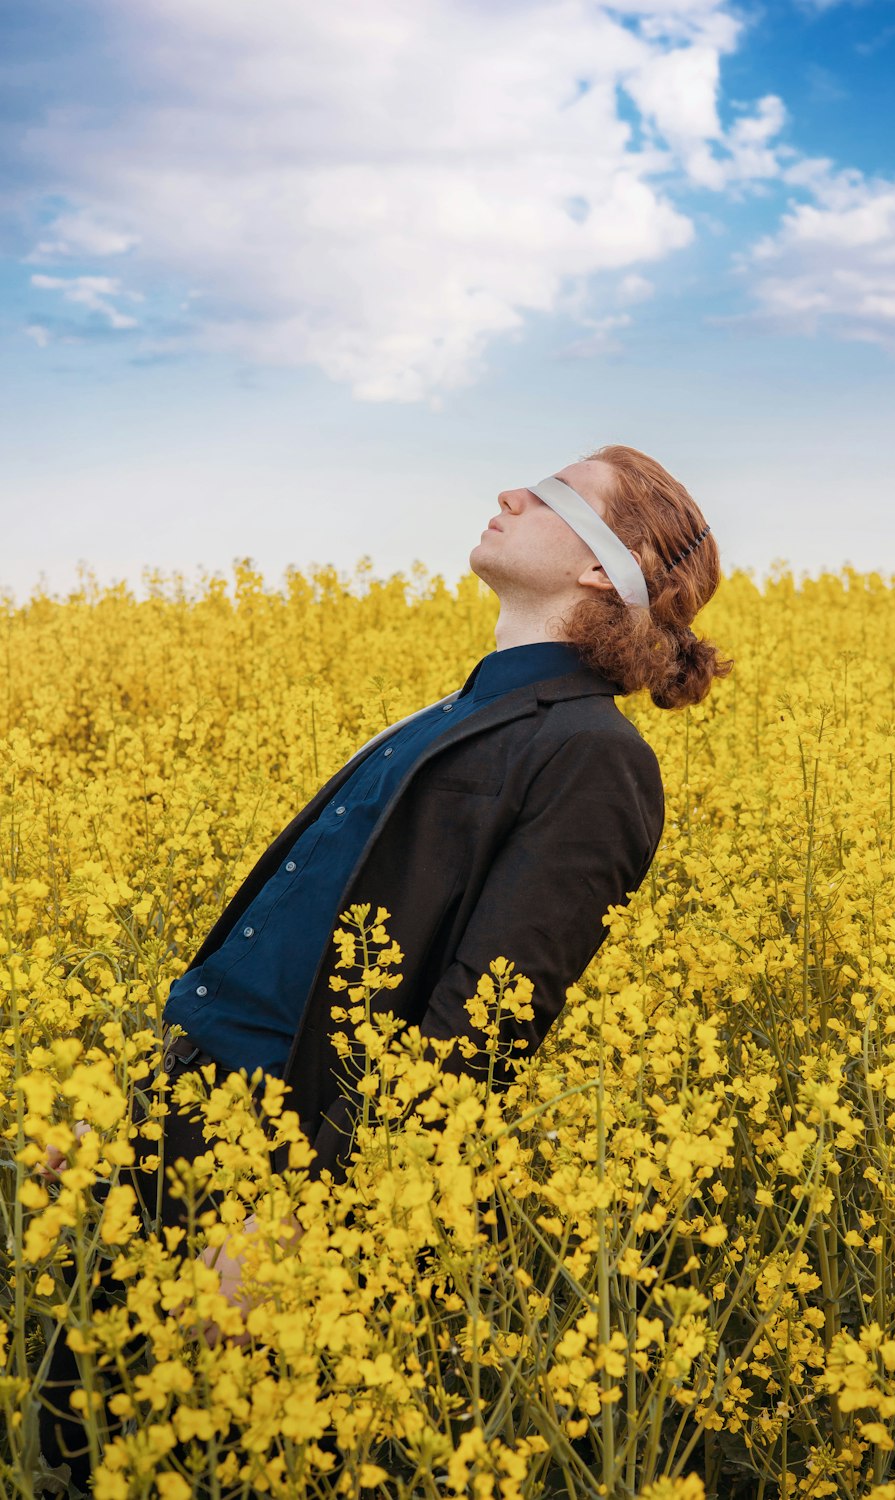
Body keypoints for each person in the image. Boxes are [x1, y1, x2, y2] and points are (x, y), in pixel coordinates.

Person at [39, 442, 733, 1481]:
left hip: (286, 1175)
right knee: (70, 1441)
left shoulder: (593, 754)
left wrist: (307, 1229)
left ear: (604, 563)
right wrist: (142, 1105)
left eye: (549, 493)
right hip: (187, 1119)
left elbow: (484, 1026)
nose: (508, 492)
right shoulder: (453, 714)